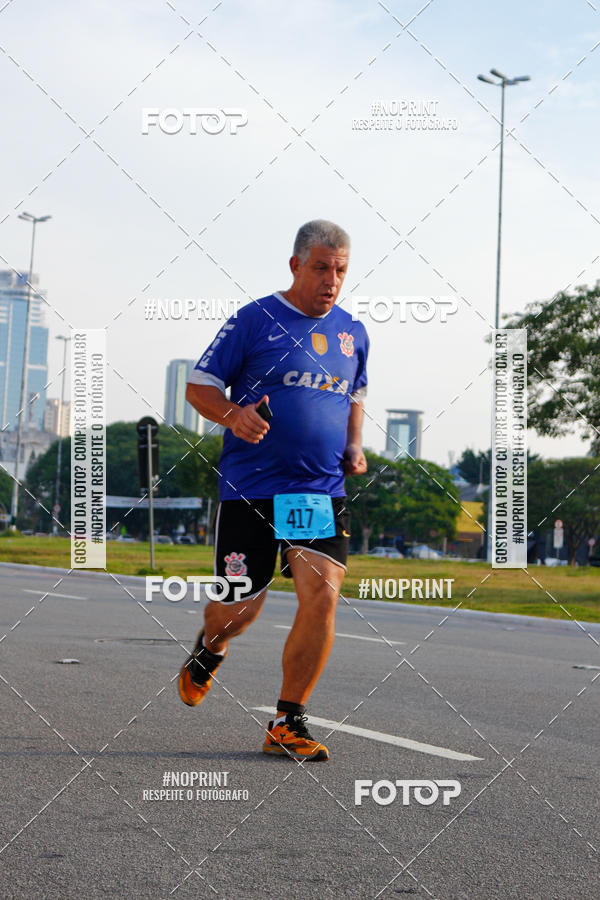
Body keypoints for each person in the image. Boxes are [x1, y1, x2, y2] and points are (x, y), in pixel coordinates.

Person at [179, 219, 369, 761]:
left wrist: (354, 446)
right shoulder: (255, 319)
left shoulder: (353, 331)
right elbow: (200, 386)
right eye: (320, 268)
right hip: (252, 489)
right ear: (295, 265)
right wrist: (234, 415)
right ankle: (209, 648)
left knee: (322, 593)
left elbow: (355, 394)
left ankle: (288, 720)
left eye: (340, 270)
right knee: (241, 609)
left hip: (317, 490)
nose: (331, 280)